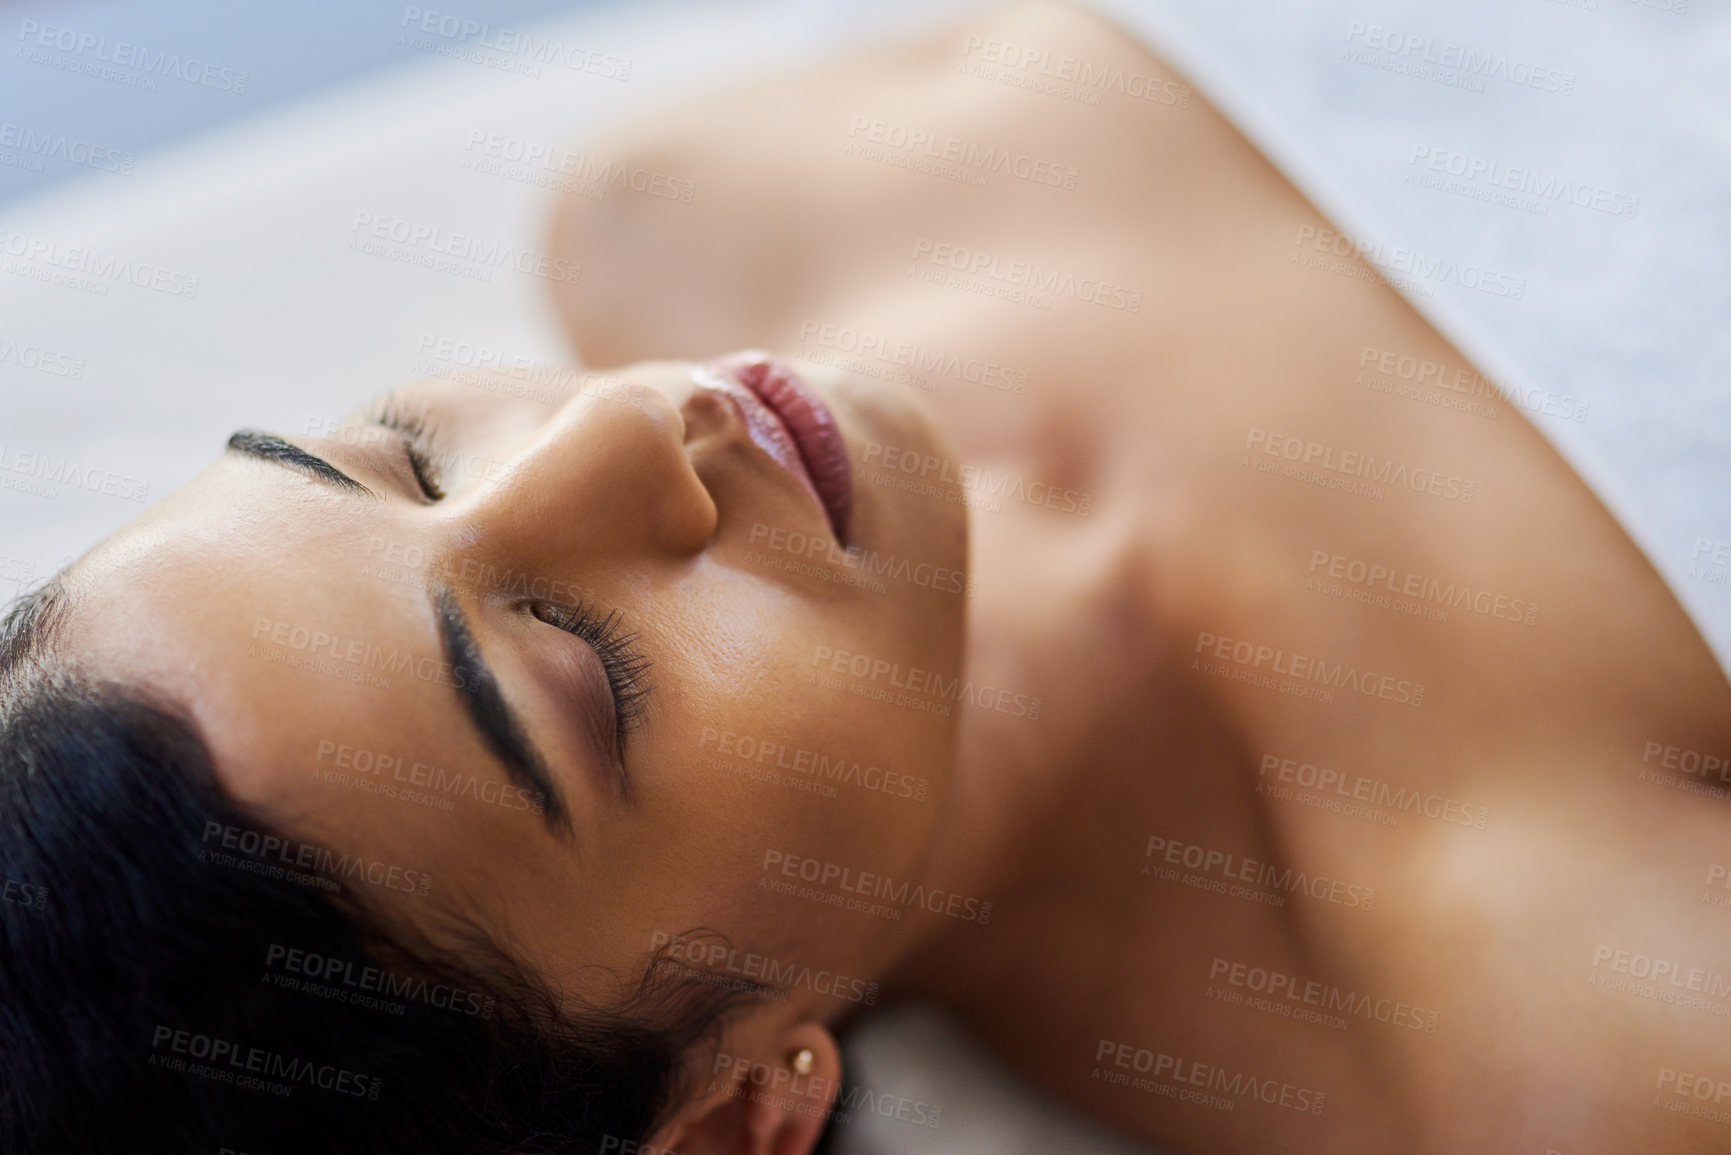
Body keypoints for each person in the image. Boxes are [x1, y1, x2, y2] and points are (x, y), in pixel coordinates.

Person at [3, 3, 1728, 1153]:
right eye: (589, 674)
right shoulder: (1576, 1013)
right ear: (740, 1114)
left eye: (395, 456)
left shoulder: (695, 202)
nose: (622, 437)